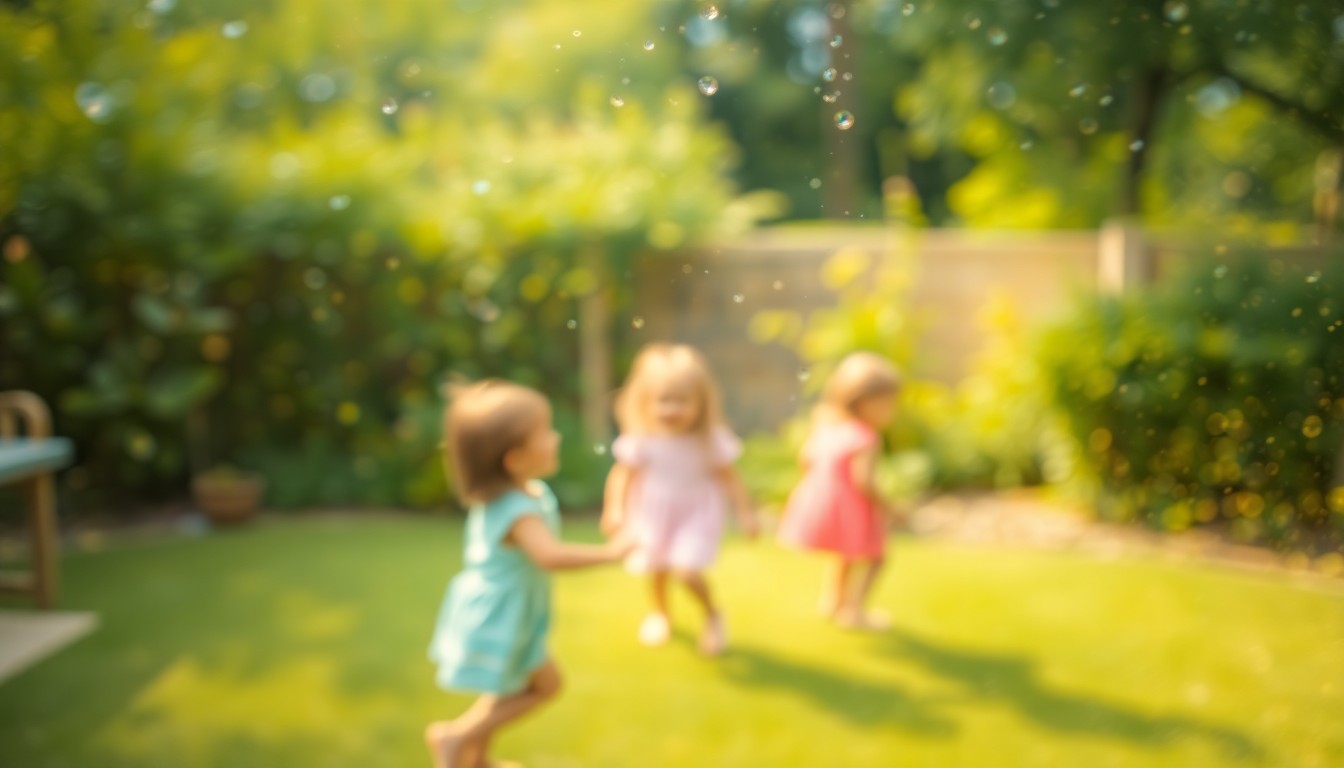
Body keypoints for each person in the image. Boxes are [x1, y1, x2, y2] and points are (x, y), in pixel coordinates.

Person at [426, 380, 631, 768]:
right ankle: (455, 738)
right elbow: (550, 556)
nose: (555, 438)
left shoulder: (520, 493)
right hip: (502, 616)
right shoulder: (516, 508)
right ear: (515, 458)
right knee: (546, 686)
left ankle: (476, 758)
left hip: (508, 611)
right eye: (545, 432)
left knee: (507, 688)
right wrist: (611, 554)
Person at [601, 343, 756, 656]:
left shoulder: (709, 440)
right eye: (663, 400)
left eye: (682, 401)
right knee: (656, 567)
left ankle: (713, 615)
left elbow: (731, 478)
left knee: (685, 570)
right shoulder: (642, 438)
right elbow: (622, 475)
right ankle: (660, 613)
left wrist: (746, 513)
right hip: (652, 512)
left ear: (702, 403)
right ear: (645, 401)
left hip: (696, 514)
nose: (672, 409)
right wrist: (615, 509)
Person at [777, 351, 902, 630]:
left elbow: (805, 459)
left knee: (844, 556)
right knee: (877, 558)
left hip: (826, 505)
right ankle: (854, 611)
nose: (891, 411)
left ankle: (833, 601)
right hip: (854, 509)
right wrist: (889, 507)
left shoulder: (826, 425)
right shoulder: (866, 437)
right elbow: (864, 481)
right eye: (886, 404)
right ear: (863, 402)